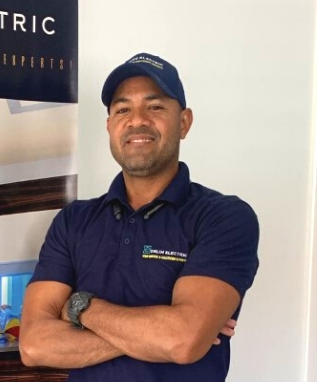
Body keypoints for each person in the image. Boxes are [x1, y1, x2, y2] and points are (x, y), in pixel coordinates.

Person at [19, 53, 260, 381]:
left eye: (155, 106)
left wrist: (80, 307)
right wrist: (164, 333)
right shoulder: (73, 221)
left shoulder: (223, 217)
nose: (137, 120)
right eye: (122, 109)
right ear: (109, 126)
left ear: (184, 122)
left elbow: (183, 341)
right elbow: (34, 346)